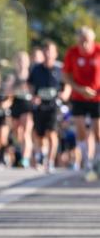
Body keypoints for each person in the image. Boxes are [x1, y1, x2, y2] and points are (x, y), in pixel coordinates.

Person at [62, 26, 100, 180]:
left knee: (97, 132)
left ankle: (97, 160)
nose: (84, 45)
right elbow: (66, 76)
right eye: (81, 41)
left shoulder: (98, 51)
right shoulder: (72, 53)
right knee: (80, 129)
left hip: (97, 97)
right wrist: (79, 89)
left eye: (87, 41)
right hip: (79, 96)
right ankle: (86, 161)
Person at [29, 39, 62, 173]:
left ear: (55, 53)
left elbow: (68, 84)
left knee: (52, 133)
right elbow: (30, 85)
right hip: (39, 106)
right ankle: (41, 155)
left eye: (50, 51)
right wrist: (33, 97)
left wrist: (64, 94)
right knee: (39, 135)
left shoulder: (60, 69)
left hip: (54, 105)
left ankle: (50, 161)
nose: (47, 54)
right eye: (45, 51)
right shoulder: (36, 69)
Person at [6, 50, 34, 168]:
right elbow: (7, 92)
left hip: (28, 105)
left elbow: (35, 90)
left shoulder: (32, 74)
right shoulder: (13, 76)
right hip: (16, 104)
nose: (22, 63)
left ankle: (25, 158)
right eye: (19, 61)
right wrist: (12, 87)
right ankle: (20, 152)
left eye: (24, 60)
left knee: (26, 132)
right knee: (18, 133)